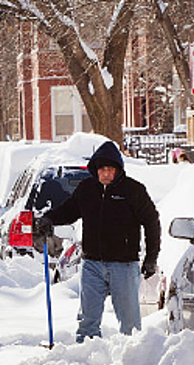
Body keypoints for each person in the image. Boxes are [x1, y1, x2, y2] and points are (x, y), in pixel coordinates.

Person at [34, 141, 161, 343]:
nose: (106, 174)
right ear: (96, 170)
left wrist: (151, 258)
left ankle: (134, 356)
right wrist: (49, 219)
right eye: (102, 169)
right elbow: (69, 210)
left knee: (129, 322)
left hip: (124, 265)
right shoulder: (87, 189)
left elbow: (152, 223)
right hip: (92, 263)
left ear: (118, 170)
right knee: (87, 319)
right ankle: (86, 353)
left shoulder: (133, 191)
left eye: (110, 169)